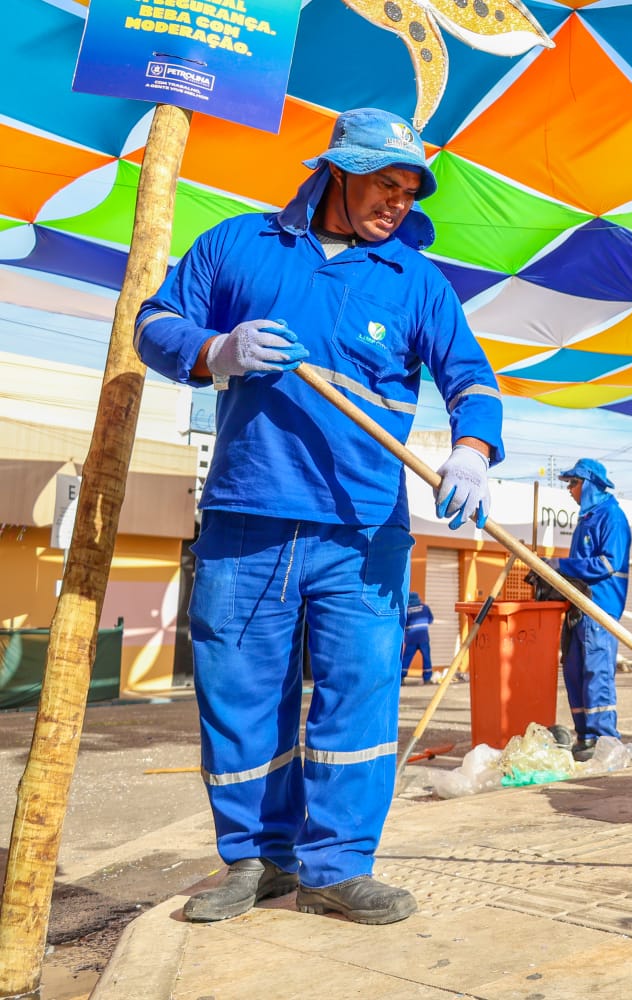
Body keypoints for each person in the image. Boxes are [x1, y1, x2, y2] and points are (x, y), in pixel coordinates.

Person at [135, 108, 503, 925]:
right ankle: (255, 860)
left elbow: (472, 379)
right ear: (337, 168)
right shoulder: (239, 246)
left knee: (358, 698)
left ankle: (335, 866)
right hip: (246, 517)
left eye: (409, 191)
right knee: (240, 695)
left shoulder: (416, 281)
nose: (398, 203)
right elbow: (154, 323)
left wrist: (473, 448)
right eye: (385, 183)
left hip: (364, 531)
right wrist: (215, 352)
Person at [557, 459, 632, 761]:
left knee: (596, 672)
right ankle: (585, 737)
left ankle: (604, 739)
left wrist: (561, 566)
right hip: (579, 606)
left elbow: (607, 563)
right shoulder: (587, 518)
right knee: (574, 670)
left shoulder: (611, 517)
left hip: (599, 608)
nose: (570, 491)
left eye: (573, 484)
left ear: (588, 483)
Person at [401, 592, 434, 684]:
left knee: (407, 657)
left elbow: (403, 623)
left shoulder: (407, 610)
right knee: (426, 657)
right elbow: (430, 620)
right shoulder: (425, 607)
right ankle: (427, 679)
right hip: (423, 638)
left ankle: (401, 678)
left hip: (411, 638)